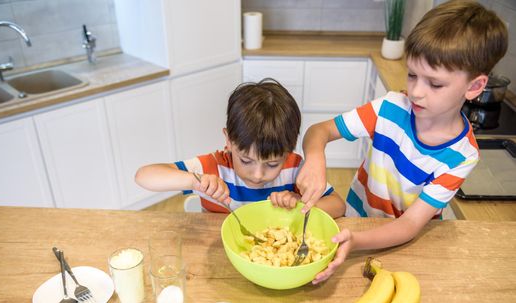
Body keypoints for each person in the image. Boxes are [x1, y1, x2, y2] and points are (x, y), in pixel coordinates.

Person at [296, 0, 508, 283]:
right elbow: (318, 131)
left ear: (474, 86)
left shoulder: (462, 156)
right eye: (412, 75)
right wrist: (315, 159)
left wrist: (356, 241)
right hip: (357, 219)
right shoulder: (389, 109)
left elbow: (409, 225)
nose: (416, 92)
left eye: (434, 84)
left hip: (406, 243)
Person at [135, 78, 345, 218]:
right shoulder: (213, 167)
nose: (258, 174)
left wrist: (301, 204)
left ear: (289, 150)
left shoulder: (296, 168)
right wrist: (194, 181)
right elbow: (144, 175)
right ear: (229, 140)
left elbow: (338, 205)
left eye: (272, 163)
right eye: (246, 160)